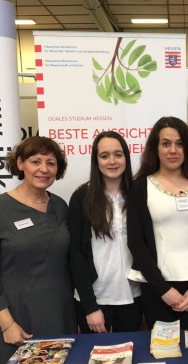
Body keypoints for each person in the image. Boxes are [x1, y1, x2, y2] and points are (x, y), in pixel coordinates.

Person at [0, 136, 77, 364]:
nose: (44, 169)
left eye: (51, 163)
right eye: (36, 161)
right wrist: (6, 324)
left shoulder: (60, 206)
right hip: (18, 320)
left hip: (61, 314)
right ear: (20, 164)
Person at [127, 116, 188, 330]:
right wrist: (163, 290)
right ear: (156, 148)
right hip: (157, 289)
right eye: (166, 143)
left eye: (179, 143)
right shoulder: (140, 188)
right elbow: (136, 243)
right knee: (163, 352)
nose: (173, 150)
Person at [68, 131, 142, 334]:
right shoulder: (82, 196)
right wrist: (90, 306)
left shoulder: (138, 194)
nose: (112, 161)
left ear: (126, 157)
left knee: (129, 357)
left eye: (118, 154)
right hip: (95, 297)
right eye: (104, 155)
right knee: (96, 363)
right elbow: (76, 254)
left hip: (132, 296)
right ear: (96, 160)